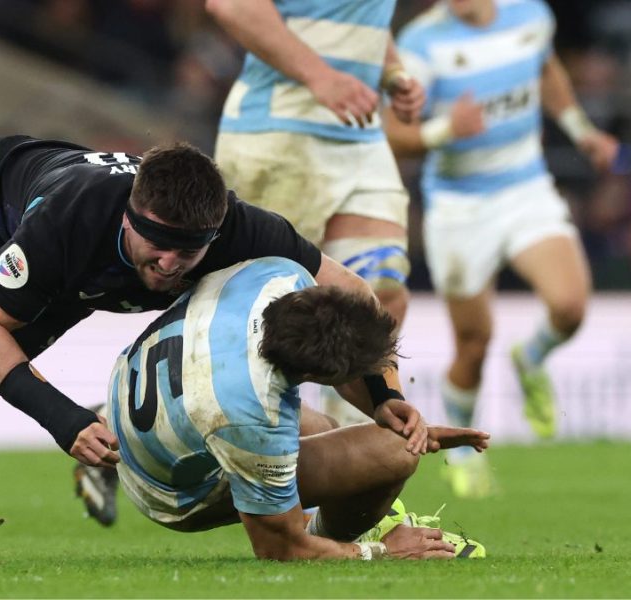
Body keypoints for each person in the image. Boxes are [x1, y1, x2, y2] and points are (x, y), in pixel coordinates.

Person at [0, 117, 423, 561]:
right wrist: (63, 418)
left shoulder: (241, 228)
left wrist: (382, 391)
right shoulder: (70, 226)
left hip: (75, 272)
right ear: (131, 214)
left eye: (186, 255)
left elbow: (351, 298)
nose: (168, 267)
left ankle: (389, 522)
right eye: (155, 247)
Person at [384, 0, 619, 498]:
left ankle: (531, 359)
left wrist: (582, 132)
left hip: (525, 189)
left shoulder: (530, 15)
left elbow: (546, 67)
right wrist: (445, 129)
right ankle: (466, 454)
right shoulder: (421, 44)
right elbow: (390, 131)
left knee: (571, 306)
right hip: (460, 207)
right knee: (473, 343)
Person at [105, 256, 488, 559]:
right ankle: (364, 530)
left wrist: (385, 400)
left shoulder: (280, 275)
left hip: (142, 395)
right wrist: (381, 552)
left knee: (325, 427)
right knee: (394, 452)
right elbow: (279, 548)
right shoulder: (248, 415)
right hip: (166, 490)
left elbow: (353, 288)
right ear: (315, 374)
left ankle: (357, 517)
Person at [204, 0, 427, 426]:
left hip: (359, 135)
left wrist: (392, 73)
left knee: (381, 292)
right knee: (256, 313)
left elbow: (360, 20)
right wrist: (320, 76)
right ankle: (147, 429)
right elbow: (231, 6)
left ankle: (357, 454)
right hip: (276, 134)